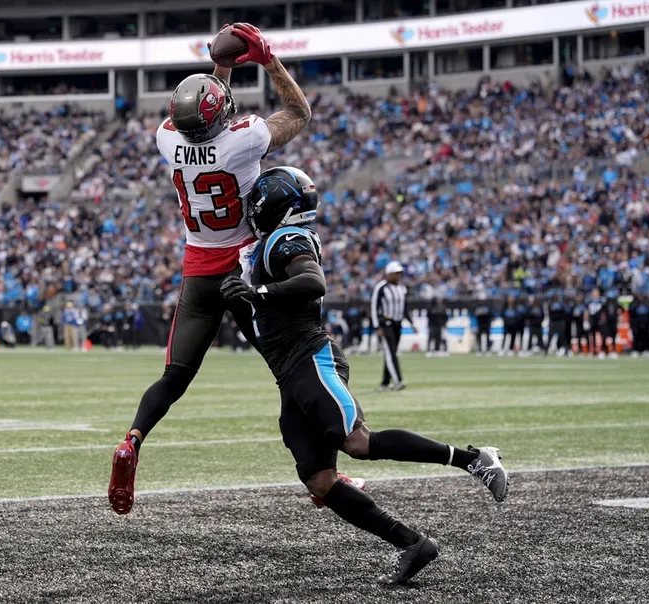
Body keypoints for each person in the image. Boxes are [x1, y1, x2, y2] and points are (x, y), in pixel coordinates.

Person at [219, 167, 509, 585]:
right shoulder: (267, 246)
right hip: (289, 373)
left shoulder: (287, 238)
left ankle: (474, 459)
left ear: (276, 205)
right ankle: (413, 544)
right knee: (320, 481)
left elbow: (312, 281)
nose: (253, 211)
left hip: (311, 359)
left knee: (358, 441)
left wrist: (259, 291)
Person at [109, 22, 313, 515]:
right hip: (245, 270)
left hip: (198, 270)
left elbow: (207, 114)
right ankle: (320, 474)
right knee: (290, 371)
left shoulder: (166, 139)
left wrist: (219, 67)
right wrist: (267, 60)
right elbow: (298, 113)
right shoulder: (244, 140)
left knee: (174, 376)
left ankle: (132, 440)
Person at [371, 262, 416, 390]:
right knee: (391, 352)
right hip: (386, 324)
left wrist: (411, 323)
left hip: (398, 323)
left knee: (391, 353)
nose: (398, 276)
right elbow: (374, 307)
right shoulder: (381, 287)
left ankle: (385, 383)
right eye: (396, 273)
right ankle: (398, 381)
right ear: (389, 274)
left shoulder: (401, 288)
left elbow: (404, 308)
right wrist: (377, 326)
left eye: (399, 273)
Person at [602, 293, 621, 358]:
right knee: (605, 336)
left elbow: (622, 309)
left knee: (614, 337)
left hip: (614, 322)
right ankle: (604, 350)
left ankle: (613, 351)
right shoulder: (605, 304)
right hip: (607, 323)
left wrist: (619, 312)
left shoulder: (616, 304)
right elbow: (601, 311)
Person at [587, 288, 605, 356]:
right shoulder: (589, 301)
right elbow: (587, 311)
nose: (594, 294)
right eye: (593, 293)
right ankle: (592, 350)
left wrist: (603, 319)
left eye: (596, 293)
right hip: (592, 320)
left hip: (599, 320)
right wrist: (586, 320)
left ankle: (602, 350)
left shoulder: (602, 301)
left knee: (602, 335)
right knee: (592, 336)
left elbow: (604, 311)